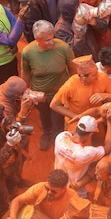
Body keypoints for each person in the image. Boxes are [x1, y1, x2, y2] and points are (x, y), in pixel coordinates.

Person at [21, 20, 75, 150]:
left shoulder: (63, 48)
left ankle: (57, 137)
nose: (51, 42)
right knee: (44, 115)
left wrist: (72, 89)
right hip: (40, 95)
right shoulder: (28, 52)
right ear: (37, 40)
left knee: (58, 118)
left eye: (52, 38)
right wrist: (25, 91)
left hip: (60, 93)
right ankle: (47, 133)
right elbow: (26, 72)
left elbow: (73, 69)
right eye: (46, 40)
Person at [50, 54, 111, 131]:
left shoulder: (102, 77)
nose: (97, 76)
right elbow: (54, 105)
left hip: (96, 120)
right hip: (77, 123)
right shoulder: (70, 86)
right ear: (82, 76)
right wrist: (76, 116)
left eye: (97, 72)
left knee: (99, 142)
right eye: (94, 75)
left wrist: (105, 95)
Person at [54, 115, 111, 197]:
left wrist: (99, 120)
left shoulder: (61, 137)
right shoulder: (86, 153)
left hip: (57, 181)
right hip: (75, 191)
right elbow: (109, 148)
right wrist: (110, 122)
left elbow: (75, 132)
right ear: (90, 135)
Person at [6, 169, 77, 219]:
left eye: (53, 191)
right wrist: (12, 216)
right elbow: (17, 201)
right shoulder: (40, 187)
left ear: (64, 189)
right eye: (47, 188)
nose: (49, 192)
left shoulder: (73, 199)